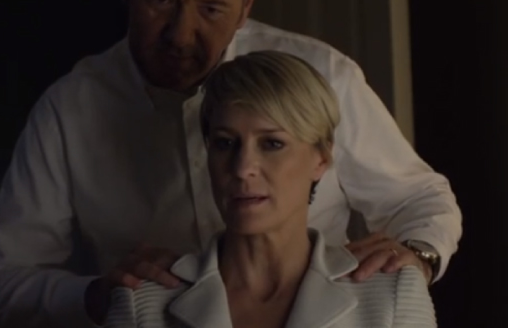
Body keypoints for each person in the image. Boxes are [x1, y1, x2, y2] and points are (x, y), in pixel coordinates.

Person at [0, 0, 460, 327]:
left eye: (211, 9)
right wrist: (97, 295)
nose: (181, 35)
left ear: (248, 1)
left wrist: (416, 260)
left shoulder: (326, 76)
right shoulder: (69, 109)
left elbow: (422, 200)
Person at [104, 50, 437, 328]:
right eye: (225, 143)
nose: (242, 168)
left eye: (272, 144)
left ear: (321, 159)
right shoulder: (144, 303)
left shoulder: (390, 295)